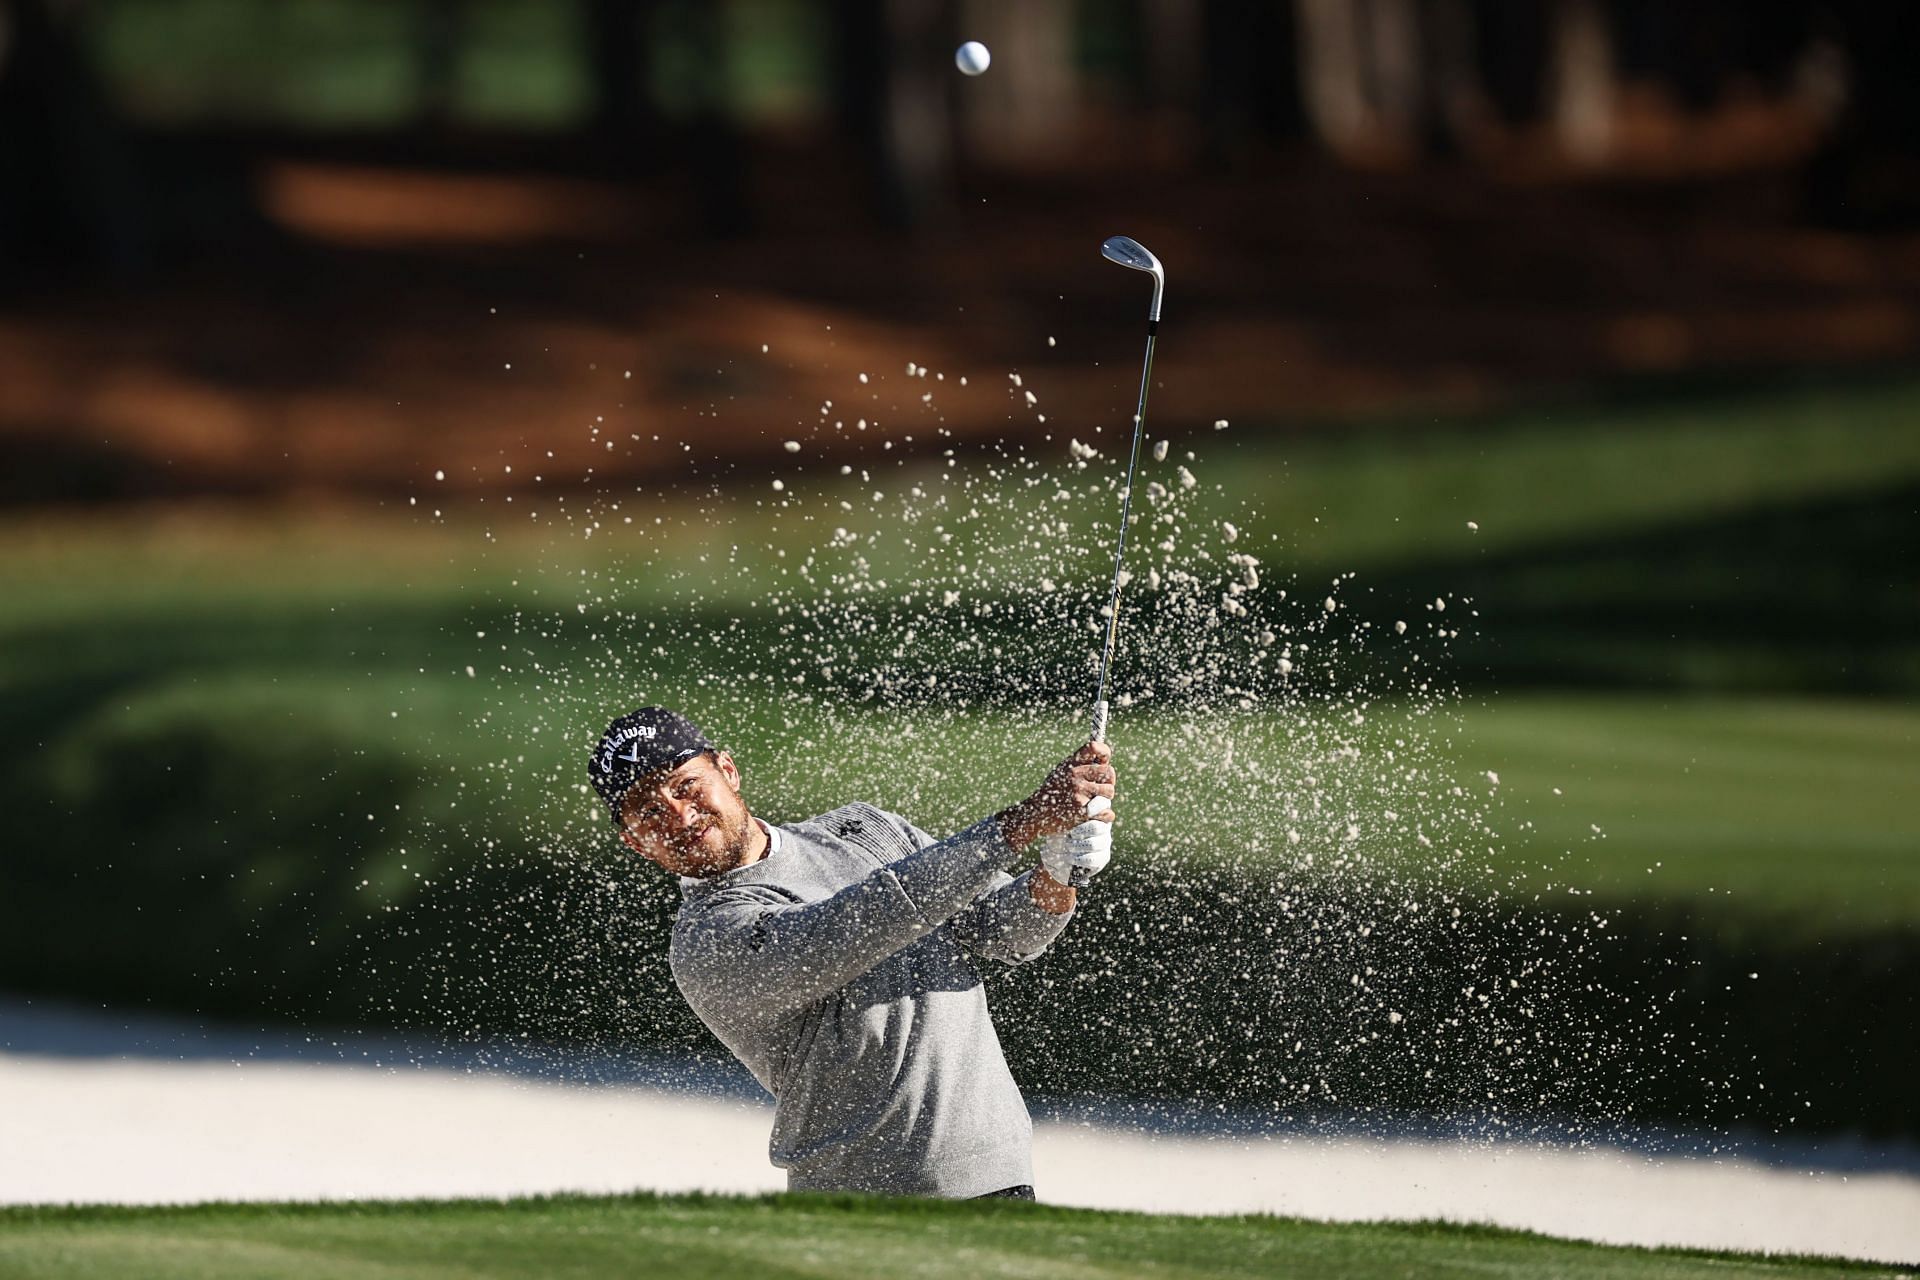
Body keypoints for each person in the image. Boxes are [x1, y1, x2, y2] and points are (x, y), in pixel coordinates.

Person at [587, 705, 1115, 1200]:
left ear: (728, 771)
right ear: (635, 842)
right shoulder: (707, 939)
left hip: (997, 1174)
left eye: (687, 787)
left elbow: (1006, 932)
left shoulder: (862, 829)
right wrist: (1023, 822)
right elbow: (858, 924)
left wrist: (1059, 868)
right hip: (862, 1202)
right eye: (650, 812)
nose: (680, 817)